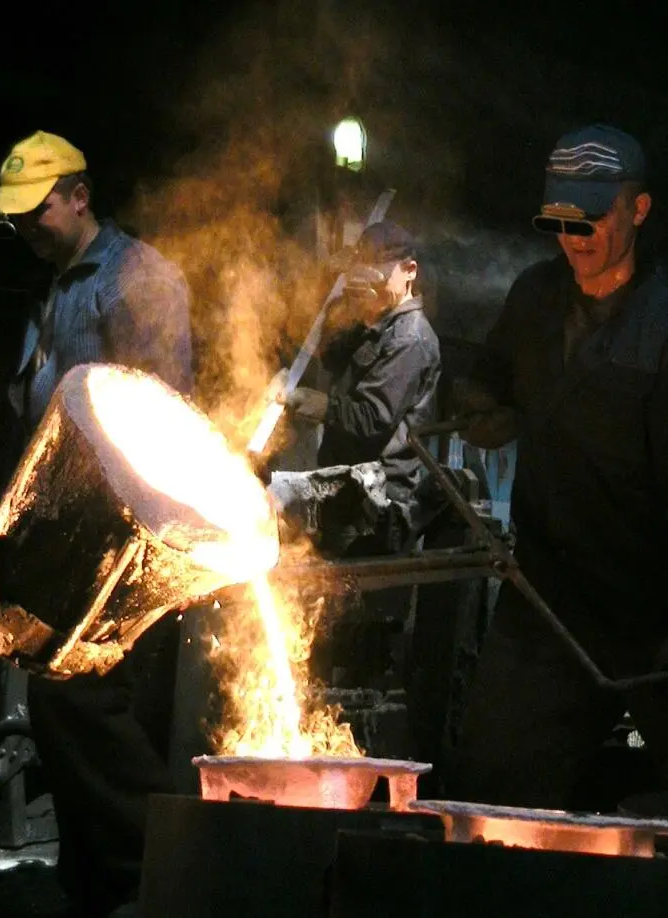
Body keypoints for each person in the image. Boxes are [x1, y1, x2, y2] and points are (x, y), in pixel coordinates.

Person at [0, 130, 193, 916]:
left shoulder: (137, 278)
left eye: (35, 211)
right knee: (64, 708)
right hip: (59, 535)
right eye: (14, 218)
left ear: (79, 194)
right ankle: (100, 885)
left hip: (119, 544)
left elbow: (157, 414)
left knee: (88, 708)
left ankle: (158, 875)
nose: (24, 228)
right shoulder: (57, 286)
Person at [447, 123, 668, 810]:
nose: (573, 239)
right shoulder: (534, 297)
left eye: (591, 219)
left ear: (637, 209)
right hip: (549, 597)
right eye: (559, 220)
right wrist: (479, 402)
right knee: (490, 791)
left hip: (651, 600)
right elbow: (489, 376)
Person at [280, 219, 441, 554]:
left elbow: (372, 419)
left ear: (409, 270)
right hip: (347, 487)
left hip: (377, 503)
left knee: (355, 595)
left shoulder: (409, 339)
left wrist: (324, 406)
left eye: (378, 274)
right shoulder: (373, 321)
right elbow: (330, 356)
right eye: (362, 269)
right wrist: (342, 309)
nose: (369, 285)